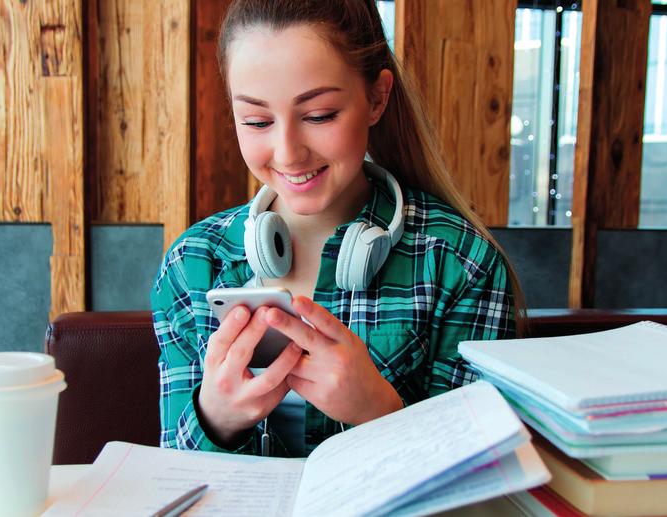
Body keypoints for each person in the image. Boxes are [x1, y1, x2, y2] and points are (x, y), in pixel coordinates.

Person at [151, 0, 526, 457]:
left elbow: (486, 474)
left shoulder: (460, 262)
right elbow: (174, 473)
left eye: (320, 115)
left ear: (377, 98)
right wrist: (216, 418)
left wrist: (380, 410)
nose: (287, 153)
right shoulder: (192, 264)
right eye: (256, 121)